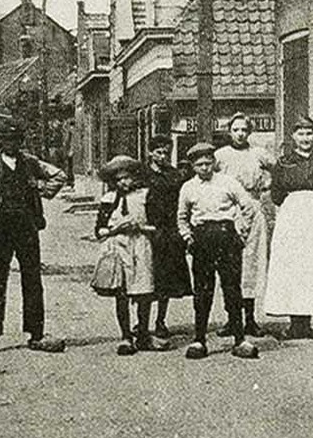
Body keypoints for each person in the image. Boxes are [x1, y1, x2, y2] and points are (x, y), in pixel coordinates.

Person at [0, 122, 68, 359]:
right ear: (0, 142)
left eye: (16, 141)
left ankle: (36, 335)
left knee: (32, 280)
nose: (12, 144)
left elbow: (60, 175)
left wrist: (40, 187)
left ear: (20, 142)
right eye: (7, 140)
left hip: (26, 227)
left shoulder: (30, 163)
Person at [177, 142, 260, 360]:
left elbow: (248, 207)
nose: (204, 168)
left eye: (208, 163)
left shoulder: (227, 182)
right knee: (203, 291)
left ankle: (240, 339)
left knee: (232, 289)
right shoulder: (188, 187)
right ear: (193, 166)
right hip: (202, 239)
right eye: (199, 164)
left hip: (227, 236)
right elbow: (182, 217)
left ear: (214, 162)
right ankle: (199, 339)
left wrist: (242, 233)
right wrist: (188, 238)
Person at [262, 117, 313, 339]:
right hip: (293, 216)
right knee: (293, 265)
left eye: (309, 133)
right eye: (301, 134)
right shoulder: (284, 161)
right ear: (293, 136)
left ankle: (308, 321)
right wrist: (295, 199)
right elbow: (276, 194)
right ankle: (296, 322)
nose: (305, 138)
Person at [213, 113, 275, 338]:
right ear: (229, 131)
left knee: (251, 266)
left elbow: (278, 170)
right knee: (230, 267)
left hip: (254, 209)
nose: (240, 134)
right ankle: (232, 319)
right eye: (236, 129)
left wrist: (267, 187)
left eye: (244, 130)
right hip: (229, 212)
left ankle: (250, 319)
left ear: (250, 132)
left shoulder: (259, 154)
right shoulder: (220, 156)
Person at [93, 155, 160, 354]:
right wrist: (113, 230)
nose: (123, 182)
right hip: (117, 247)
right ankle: (125, 337)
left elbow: (157, 225)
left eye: (127, 177)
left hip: (140, 245)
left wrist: (141, 226)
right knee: (121, 293)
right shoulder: (109, 199)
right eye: (118, 179)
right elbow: (99, 230)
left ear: (135, 177)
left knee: (143, 292)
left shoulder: (146, 196)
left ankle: (143, 335)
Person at [141, 135, 192, 342]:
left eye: (165, 152)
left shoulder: (174, 175)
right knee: (145, 278)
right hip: (148, 231)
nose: (162, 156)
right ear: (150, 153)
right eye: (158, 152)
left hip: (169, 232)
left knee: (166, 280)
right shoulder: (142, 175)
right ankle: (142, 321)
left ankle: (161, 320)